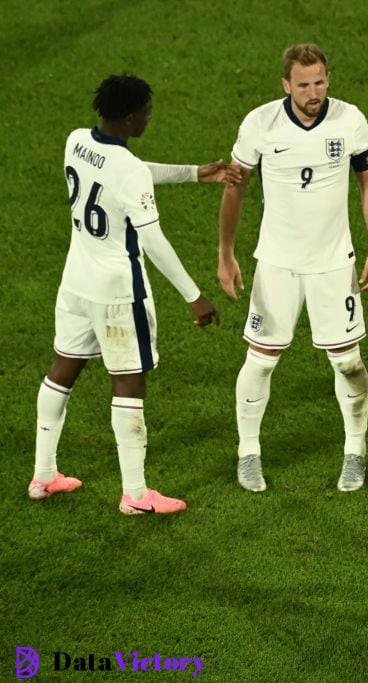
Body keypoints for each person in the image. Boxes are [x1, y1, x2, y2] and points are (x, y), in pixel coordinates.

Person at [29, 74, 228, 514]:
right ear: (131, 116)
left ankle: (44, 475)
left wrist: (194, 174)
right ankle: (136, 495)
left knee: (63, 368)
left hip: (75, 282)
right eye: (147, 112)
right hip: (119, 292)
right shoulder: (129, 171)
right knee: (129, 382)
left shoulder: (77, 139)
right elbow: (153, 239)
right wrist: (194, 295)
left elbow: (125, 172)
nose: (150, 118)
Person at [218, 43, 368, 493]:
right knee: (261, 360)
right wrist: (226, 252)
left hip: (334, 263)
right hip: (277, 263)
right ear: (286, 84)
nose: (314, 92)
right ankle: (248, 452)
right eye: (304, 84)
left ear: (328, 78)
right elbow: (234, 189)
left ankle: (355, 451)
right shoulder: (260, 124)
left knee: (348, 361)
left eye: (320, 82)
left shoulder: (349, 121)